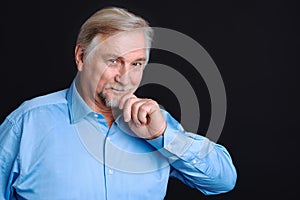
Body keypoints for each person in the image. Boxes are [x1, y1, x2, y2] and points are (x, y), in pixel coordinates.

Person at [0, 6, 237, 199]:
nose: (125, 78)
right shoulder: (26, 123)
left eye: (136, 64)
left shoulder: (155, 125)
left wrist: (164, 136)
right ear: (81, 57)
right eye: (114, 61)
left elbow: (223, 181)